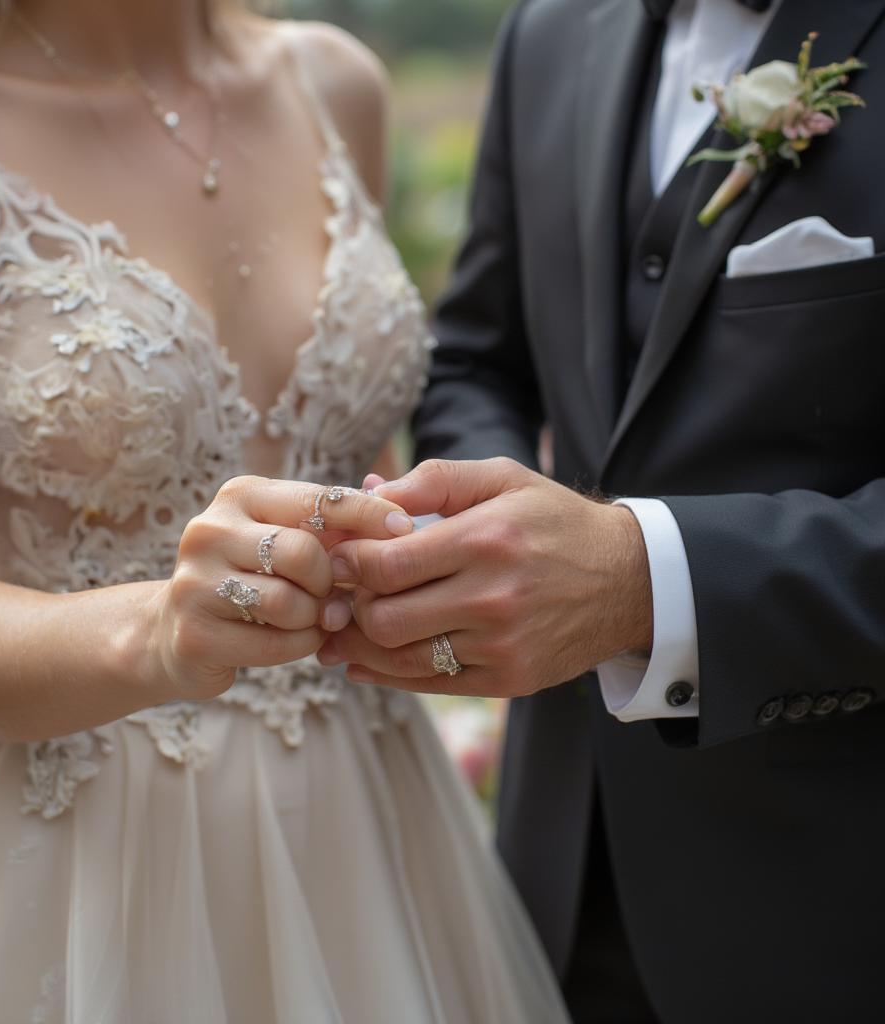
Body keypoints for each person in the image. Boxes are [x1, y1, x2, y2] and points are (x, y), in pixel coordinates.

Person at [0, 2, 569, 1020]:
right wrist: (154, 633)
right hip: (72, 871)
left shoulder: (336, 84)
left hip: (370, 828)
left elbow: (350, 468)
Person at [319, 0, 885, 1021]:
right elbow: (478, 356)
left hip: (840, 904)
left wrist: (637, 580)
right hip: (549, 884)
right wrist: (487, 526)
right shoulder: (548, 33)